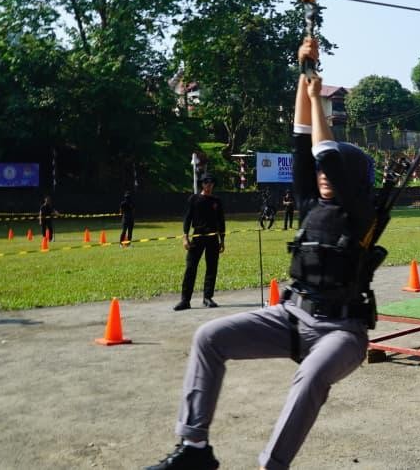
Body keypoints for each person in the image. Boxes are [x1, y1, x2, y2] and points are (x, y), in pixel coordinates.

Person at [147, 36, 379, 470]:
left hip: (341, 333)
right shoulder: (312, 204)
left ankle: (271, 466)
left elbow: (326, 156)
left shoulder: (361, 213)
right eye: (323, 171)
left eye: (336, 171)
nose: (324, 174)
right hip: (291, 316)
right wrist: (304, 75)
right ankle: (195, 449)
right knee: (209, 338)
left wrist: (316, 98)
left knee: (309, 376)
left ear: (354, 179)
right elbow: (301, 142)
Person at [175, 174, 226, 310]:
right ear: (202, 184)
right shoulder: (194, 199)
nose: (209, 185)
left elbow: (221, 221)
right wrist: (185, 237)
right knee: (190, 268)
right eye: (206, 183)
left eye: (211, 183)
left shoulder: (216, 201)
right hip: (197, 237)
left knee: (211, 268)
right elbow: (187, 218)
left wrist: (222, 240)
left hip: (213, 238)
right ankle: (185, 300)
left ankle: (207, 298)